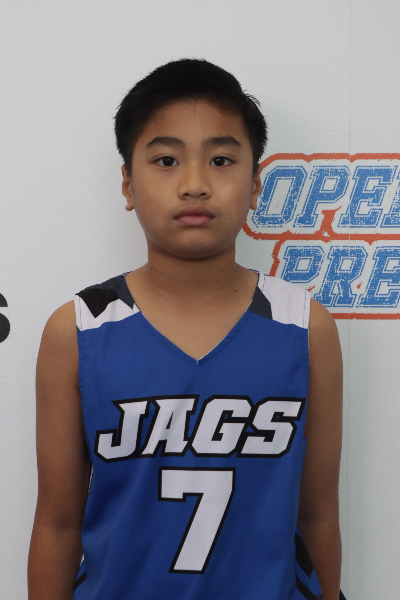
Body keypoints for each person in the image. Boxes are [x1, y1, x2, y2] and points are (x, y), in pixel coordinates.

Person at [28, 59, 344, 600]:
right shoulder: (78, 330)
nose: (195, 185)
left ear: (255, 185)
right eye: (166, 160)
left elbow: (317, 514)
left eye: (221, 160)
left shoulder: (304, 326)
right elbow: (58, 523)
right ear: (128, 183)